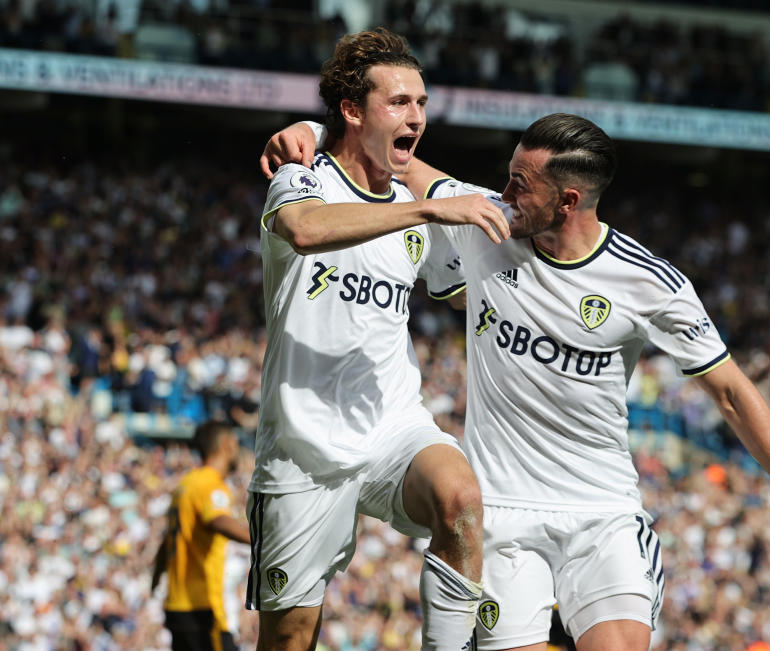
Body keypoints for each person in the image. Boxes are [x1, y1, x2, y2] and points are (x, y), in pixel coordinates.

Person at [262, 112, 770, 650]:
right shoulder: (483, 224)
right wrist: (312, 133)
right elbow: (395, 158)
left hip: (603, 513)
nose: (504, 191)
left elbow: (730, 393)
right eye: (509, 174)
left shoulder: (648, 283)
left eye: (522, 183)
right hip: (503, 517)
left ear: (567, 201)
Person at [249, 28, 509, 651]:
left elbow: (472, 283)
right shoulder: (302, 174)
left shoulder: (411, 204)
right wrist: (424, 209)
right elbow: (306, 230)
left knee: (461, 498)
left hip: (393, 425)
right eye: (399, 103)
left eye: (420, 103)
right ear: (351, 110)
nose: (416, 116)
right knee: (289, 640)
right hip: (302, 444)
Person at [152, 421, 252, 651]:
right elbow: (217, 520)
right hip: (201, 606)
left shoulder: (185, 485)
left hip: (177, 604)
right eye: (236, 444)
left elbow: (167, 541)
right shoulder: (210, 485)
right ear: (226, 445)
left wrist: (157, 577)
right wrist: (264, 542)